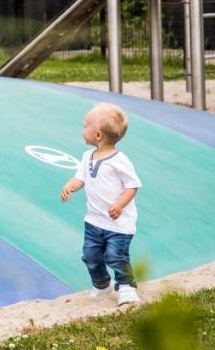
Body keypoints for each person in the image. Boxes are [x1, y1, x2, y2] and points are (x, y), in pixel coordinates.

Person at [60, 102, 143, 306]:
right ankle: (102, 284)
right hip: (94, 220)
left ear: (97, 135)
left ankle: (126, 286)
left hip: (118, 224)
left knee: (116, 256)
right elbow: (81, 177)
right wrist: (70, 186)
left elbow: (132, 186)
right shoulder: (87, 156)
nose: (82, 130)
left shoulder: (119, 160)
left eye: (85, 126)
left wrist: (120, 204)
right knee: (90, 255)